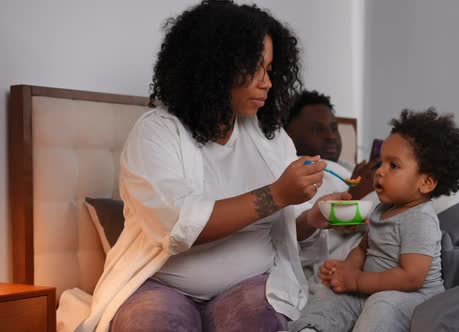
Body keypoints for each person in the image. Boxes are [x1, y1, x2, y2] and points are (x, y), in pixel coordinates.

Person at [76, 1, 350, 331]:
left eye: (270, 69)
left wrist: (312, 218)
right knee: (152, 323)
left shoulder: (271, 137)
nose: (267, 83)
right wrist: (276, 194)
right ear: (214, 67)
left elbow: (288, 228)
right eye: (255, 68)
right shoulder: (157, 133)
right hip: (163, 286)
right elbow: (178, 226)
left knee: (259, 322)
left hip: (249, 284)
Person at [289, 108, 459, 332]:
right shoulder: (382, 209)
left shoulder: (420, 220)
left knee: (382, 305)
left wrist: (357, 281)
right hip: (371, 287)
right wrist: (346, 271)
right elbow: (364, 248)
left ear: (426, 183)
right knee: (330, 295)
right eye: (380, 163)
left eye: (393, 166)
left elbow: (411, 278)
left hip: (412, 297)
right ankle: (311, 328)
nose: (380, 172)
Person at [284, 90, 378, 290]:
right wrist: (356, 194)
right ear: (288, 134)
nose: (330, 136)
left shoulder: (345, 165)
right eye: (317, 129)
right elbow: (305, 234)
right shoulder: (294, 171)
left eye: (334, 128)